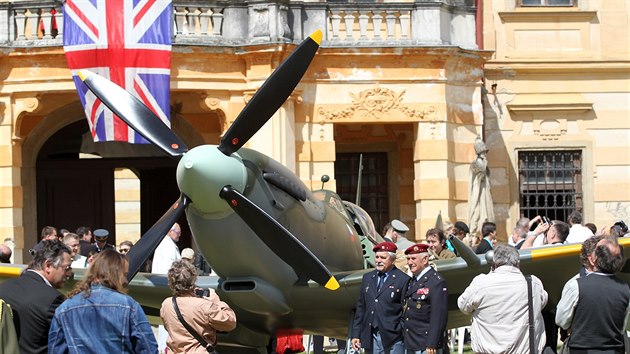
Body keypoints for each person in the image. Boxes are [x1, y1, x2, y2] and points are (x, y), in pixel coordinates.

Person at [48, 249, 158, 353]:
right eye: (124, 275)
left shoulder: (64, 309)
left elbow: (56, 350)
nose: (125, 281)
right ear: (114, 273)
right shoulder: (129, 306)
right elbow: (148, 348)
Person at [458, 244, 548, 354]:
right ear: (517, 262)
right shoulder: (533, 283)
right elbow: (543, 302)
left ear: (494, 262)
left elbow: (463, 306)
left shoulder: (480, 283)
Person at [555, 237, 629, 353]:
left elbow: (561, 320)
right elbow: (622, 326)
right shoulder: (625, 288)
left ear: (594, 259)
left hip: (582, 349)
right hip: (613, 349)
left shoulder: (576, 285)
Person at [0, 240, 72, 354]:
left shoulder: (4, 288)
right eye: (67, 268)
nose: (69, 274)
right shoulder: (53, 299)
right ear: (48, 265)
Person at [160, 259, 236, 353]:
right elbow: (230, 323)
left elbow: (169, 327)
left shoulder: (166, 304)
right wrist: (216, 301)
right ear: (193, 278)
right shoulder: (204, 306)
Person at [351, 241, 410, 354]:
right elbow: (361, 308)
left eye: (383, 257)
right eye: (377, 257)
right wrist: (356, 334)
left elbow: (406, 311)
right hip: (370, 334)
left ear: (392, 260)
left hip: (393, 337)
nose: (378, 260)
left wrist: (398, 329)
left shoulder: (403, 280)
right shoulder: (367, 278)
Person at [403, 243, 448, 354]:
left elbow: (439, 316)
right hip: (412, 340)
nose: (409, 262)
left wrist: (432, 342)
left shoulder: (436, 281)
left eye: (413, 259)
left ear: (425, 259)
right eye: (408, 259)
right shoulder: (413, 280)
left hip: (426, 343)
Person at [467, 136, 495, 236]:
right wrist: (484, 165)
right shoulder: (476, 163)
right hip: (479, 190)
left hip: (484, 190)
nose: (485, 154)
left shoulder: (483, 163)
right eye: (483, 152)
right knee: (479, 211)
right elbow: (480, 176)